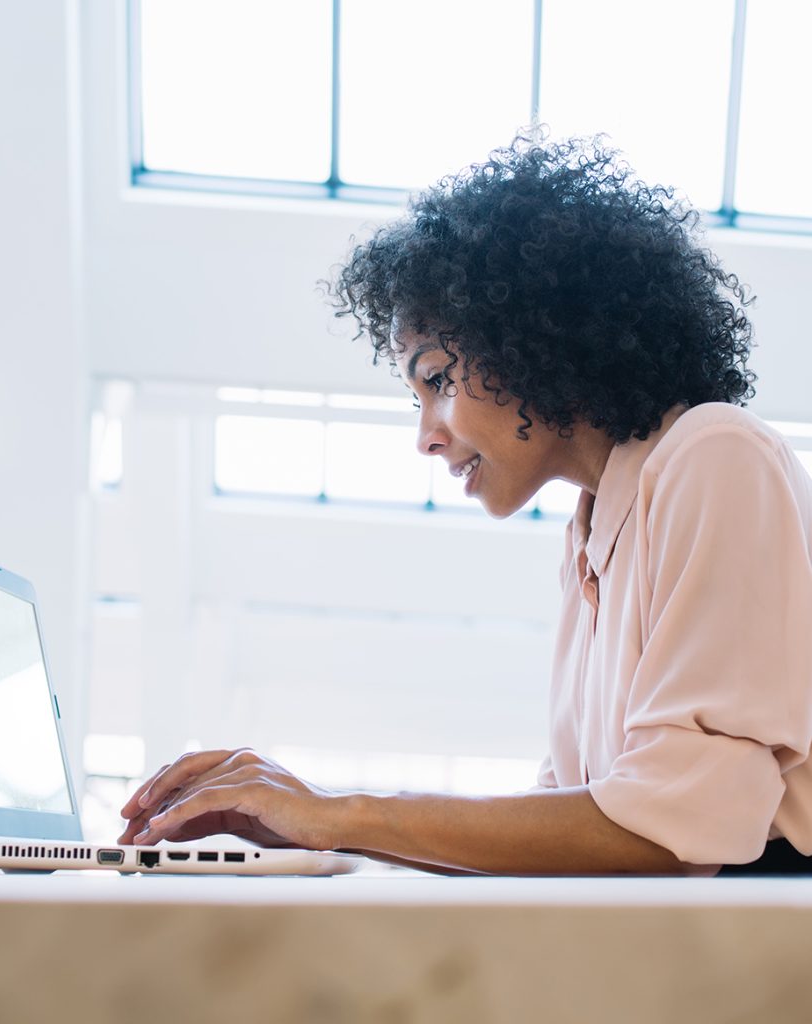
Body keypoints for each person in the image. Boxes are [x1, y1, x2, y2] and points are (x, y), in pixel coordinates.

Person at [119, 134, 812, 875]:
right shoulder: (592, 534)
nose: (426, 438)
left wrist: (338, 812)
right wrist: (315, 829)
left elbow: (676, 833)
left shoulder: (712, 456)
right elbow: (576, 831)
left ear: (543, 344)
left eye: (439, 380)